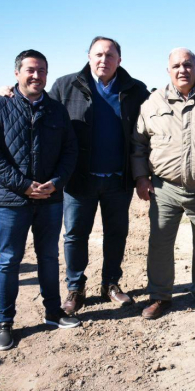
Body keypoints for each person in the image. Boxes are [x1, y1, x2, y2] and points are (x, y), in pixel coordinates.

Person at [0, 50, 79, 351]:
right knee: (9, 260)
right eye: (31, 70)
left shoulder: (56, 110)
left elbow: (69, 151)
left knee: (48, 257)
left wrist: (56, 183)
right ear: (17, 73)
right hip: (12, 201)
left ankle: (53, 312)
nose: (37, 76)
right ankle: (5, 322)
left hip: (49, 199)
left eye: (42, 71)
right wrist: (23, 186)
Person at [49, 36, 150, 314]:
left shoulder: (135, 89)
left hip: (118, 179)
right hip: (79, 179)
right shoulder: (65, 85)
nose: (103, 60)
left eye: (109, 55)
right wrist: (9, 93)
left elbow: (159, 117)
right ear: (89, 57)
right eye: (98, 54)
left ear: (119, 59)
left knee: (116, 233)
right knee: (75, 235)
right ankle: (75, 287)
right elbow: (43, 113)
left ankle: (111, 284)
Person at [132, 48, 195, 319]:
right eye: (176, 65)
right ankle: (160, 296)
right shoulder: (152, 102)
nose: (182, 70)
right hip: (164, 187)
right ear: (168, 70)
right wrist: (141, 177)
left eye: (188, 64)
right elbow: (139, 144)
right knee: (160, 242)